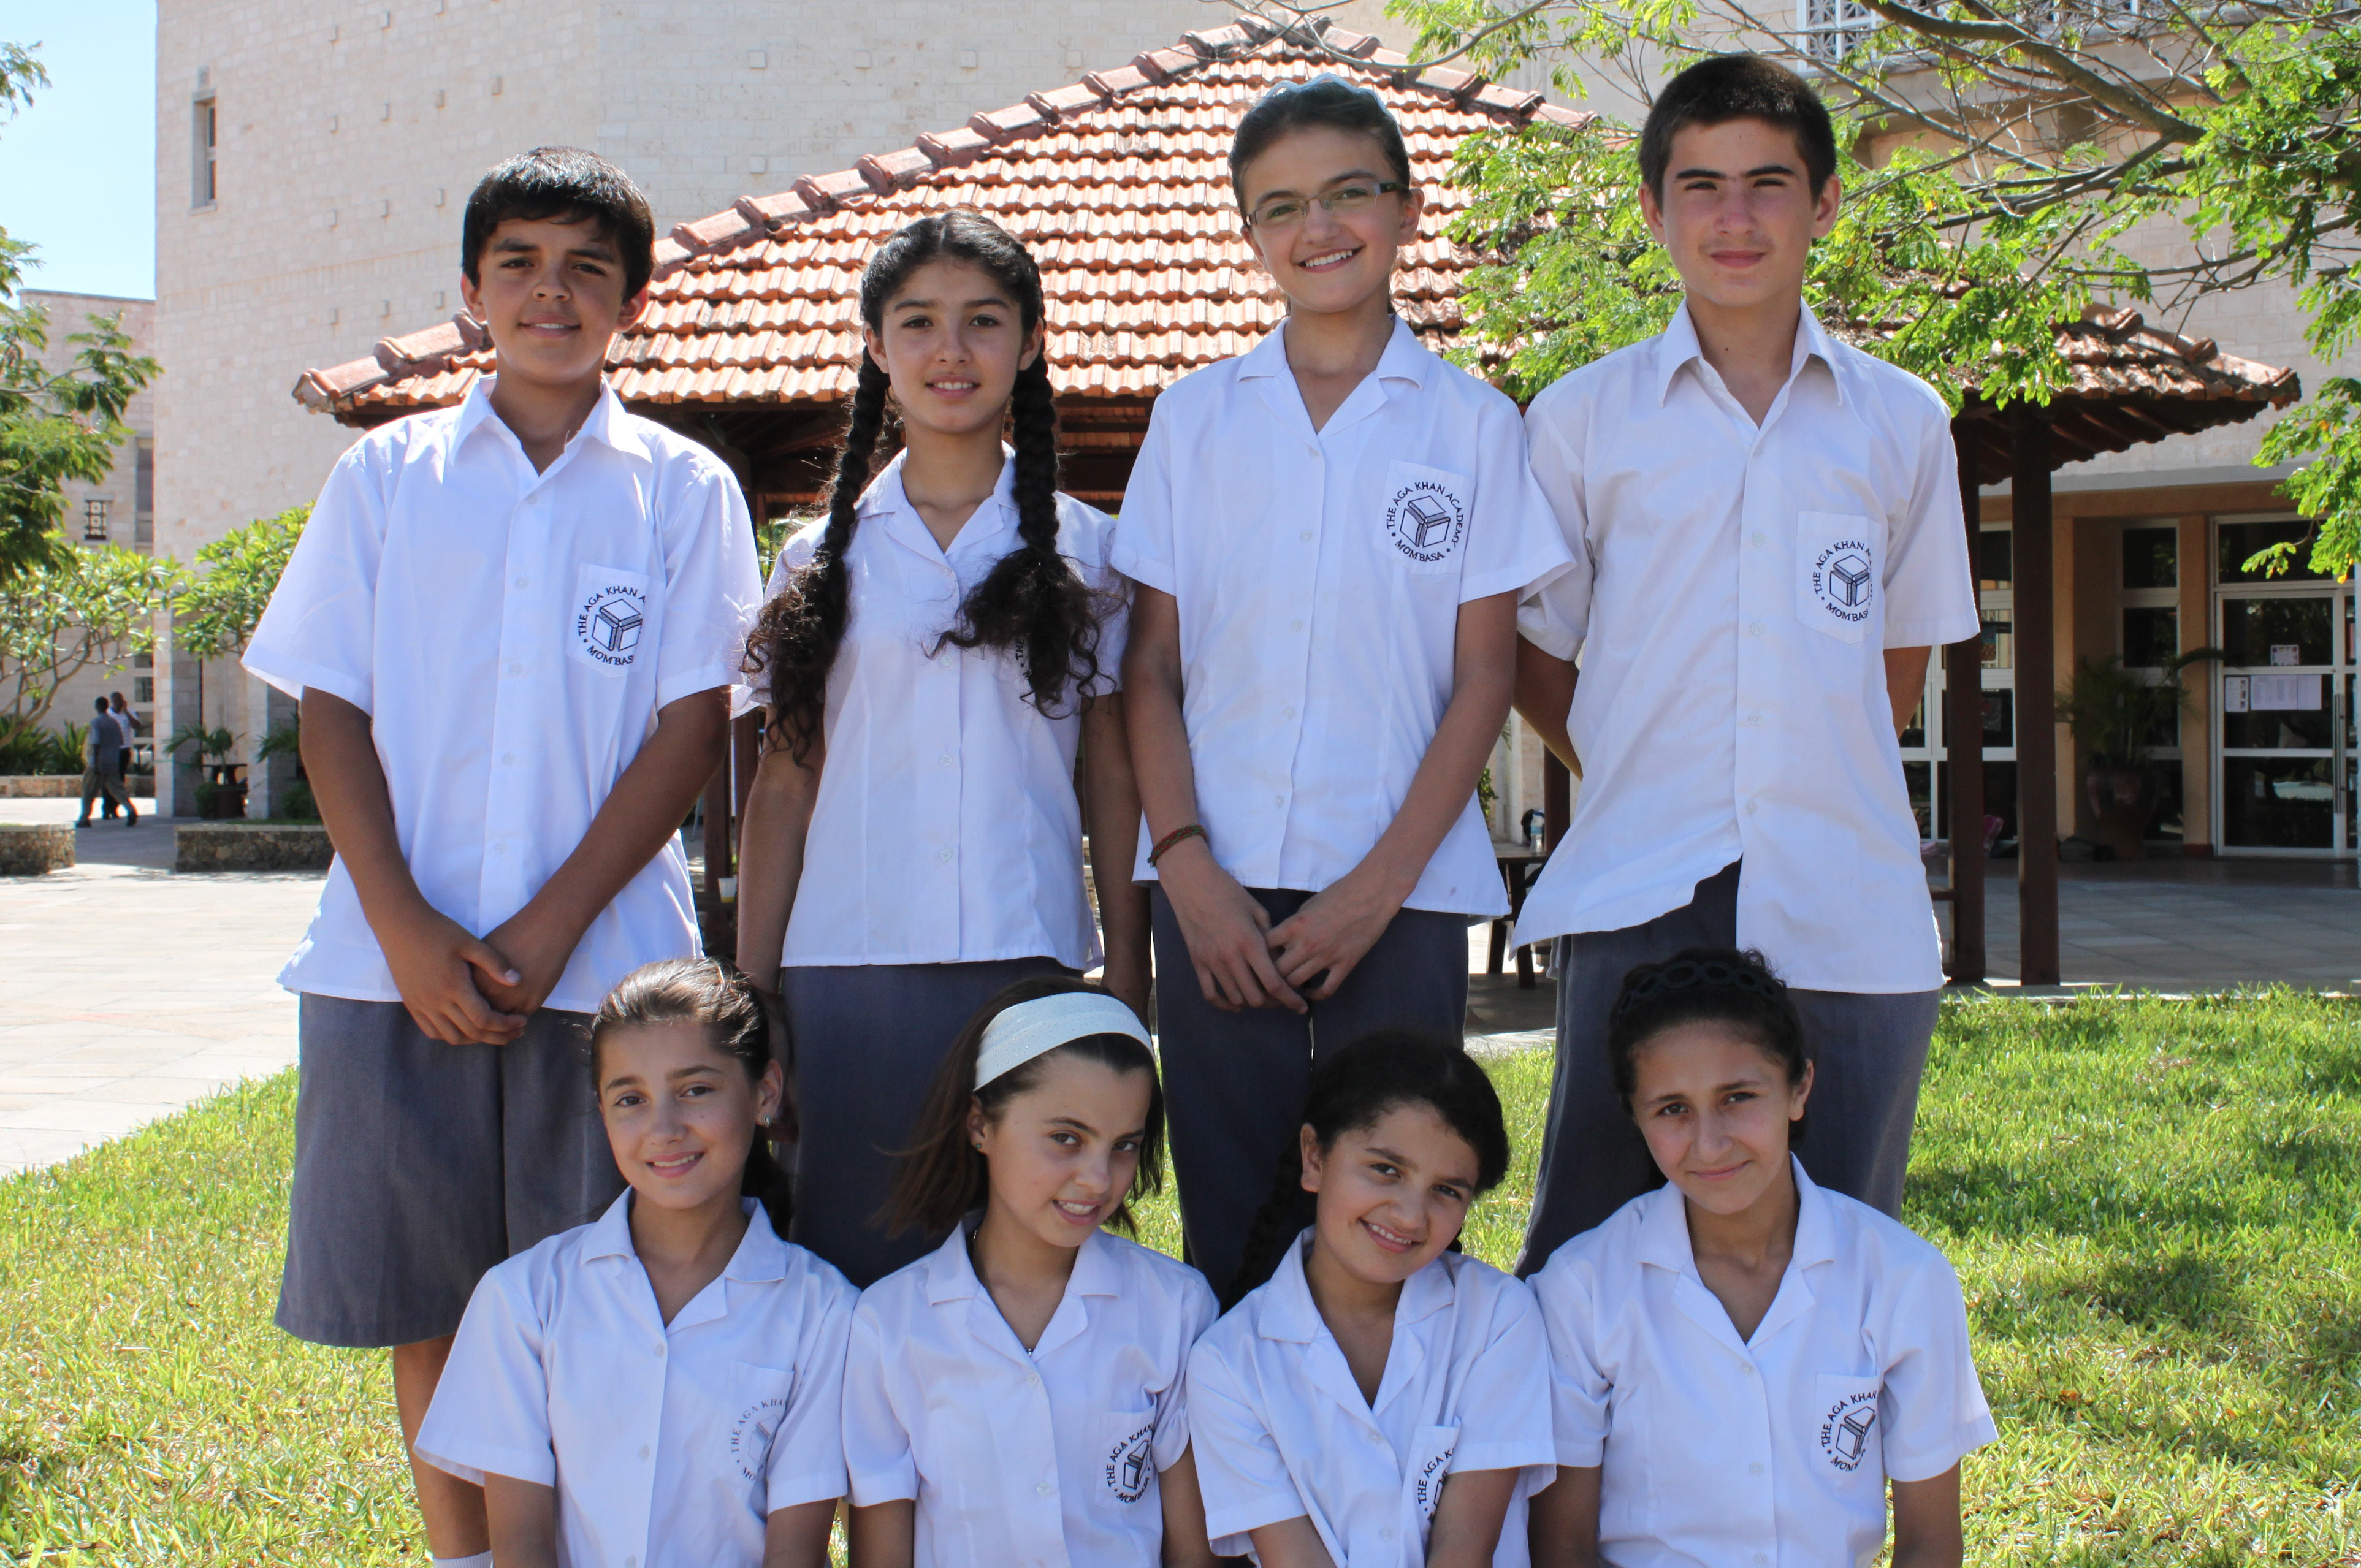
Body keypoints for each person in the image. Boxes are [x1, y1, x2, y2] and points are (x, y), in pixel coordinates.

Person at [242, 147, 761, 1567]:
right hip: (383, 963)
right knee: (437, 1294)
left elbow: (688, 727)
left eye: (589, 267)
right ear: (471, 292)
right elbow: (330, 706)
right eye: (520, 262)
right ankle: (465, 1554)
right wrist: (407, 925)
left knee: (594, 1285)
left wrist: (545, 929)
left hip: (604, 978)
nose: (552, 291)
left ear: (633, 303)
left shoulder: (681, 488)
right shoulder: (388, 476)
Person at [1508, 55, 1980, 1271]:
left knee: (1840, 1255)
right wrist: (1632, 766)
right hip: (1637, 884)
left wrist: (1794, 777)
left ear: (1822, 204)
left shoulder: (1900, 422)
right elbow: (1533, 653)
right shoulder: (1577, 421)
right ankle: (1576, 1473)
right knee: (1589, 1251)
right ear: (1652, 209)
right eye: (1700, 185)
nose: (1733, 218)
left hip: (1844, 892)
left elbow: (1894, 666)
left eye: (1767, 184)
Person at [1115, 76, 1570, 1299]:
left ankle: (1408, 1474)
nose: (1317, 228)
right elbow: (1147, 670)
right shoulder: (1195, 418)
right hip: (1216, 888)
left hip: (1403, 888)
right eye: (1280, 205)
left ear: (1406, 209)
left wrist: (1377, 891)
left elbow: (1482, 678)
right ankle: (1238, 1477)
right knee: (1233, 1202)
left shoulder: (1472, 426)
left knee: (1401, 1198)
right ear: (1248, 232)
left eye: (1347, 194)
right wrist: (1189, 866)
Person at [738, 210, 1146, 1287]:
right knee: (853, 1263)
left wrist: (1130, 967)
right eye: (917, 323)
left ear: (1033, 341)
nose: (949, 351)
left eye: (982, 321)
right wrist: (756, 990)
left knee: (1027, 1264)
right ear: (876, 347)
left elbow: (1112, 776)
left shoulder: (1090, 551)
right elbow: (782, 787)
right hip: (846, 972)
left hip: (1031, 961)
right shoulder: (818, 559)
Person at [1526, 949, 1994, 1567]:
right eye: (1672, 1108)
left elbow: (1930, 1542)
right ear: (1634, 1116)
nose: (1709, 1141)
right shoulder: (1581, 1288)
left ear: (1799, 1086)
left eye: (1737, 1096)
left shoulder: (1902, 1277)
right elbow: (1562, 1548)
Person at [414, 959, 853, 1568]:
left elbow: (797, 1551)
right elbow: (521, 1543)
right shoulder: (524, 1298)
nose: (664, 1127)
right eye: (631, 1098)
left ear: (765, 1092)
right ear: (601, 1110)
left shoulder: (825, 1311)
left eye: (696, 1089)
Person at [841, 976, 1219, 1568]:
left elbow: (1191, 1551)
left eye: (1123, 1145)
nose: (1098, 1179)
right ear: (979, 1125)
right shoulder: (889, 1326)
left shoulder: (1176, 1308)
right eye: (1066, 1138)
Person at [1186, 1033, 1555, 1567]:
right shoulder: (1227, 1364)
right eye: (1386, 1169)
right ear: (1314, 1158)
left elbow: (1464, 1549)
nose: (1409, 1215)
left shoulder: (1498, 1317)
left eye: (1447, 1190)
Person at [74, 698, 134, 827]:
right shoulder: (114, 723)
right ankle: (131, 810)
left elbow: (96, 743)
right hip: (112, 761)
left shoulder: (96, 723)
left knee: (88, 790)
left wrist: (95, 763)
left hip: (98, 762)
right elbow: (121, 743)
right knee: (118, 789)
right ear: (107, 707)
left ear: (97, 707)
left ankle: (84, 818)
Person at [104, 691, 139, 816]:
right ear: (112, 702)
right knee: (108, 780)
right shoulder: (108, 714)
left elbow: (137, 726)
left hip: (124, 751)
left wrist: (126, 712)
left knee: (119, 780)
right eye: (115, 701)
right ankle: (107, 808)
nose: (118, 704)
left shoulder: (128, 712)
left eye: (120, 701)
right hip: (111, 751)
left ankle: (115, 808)